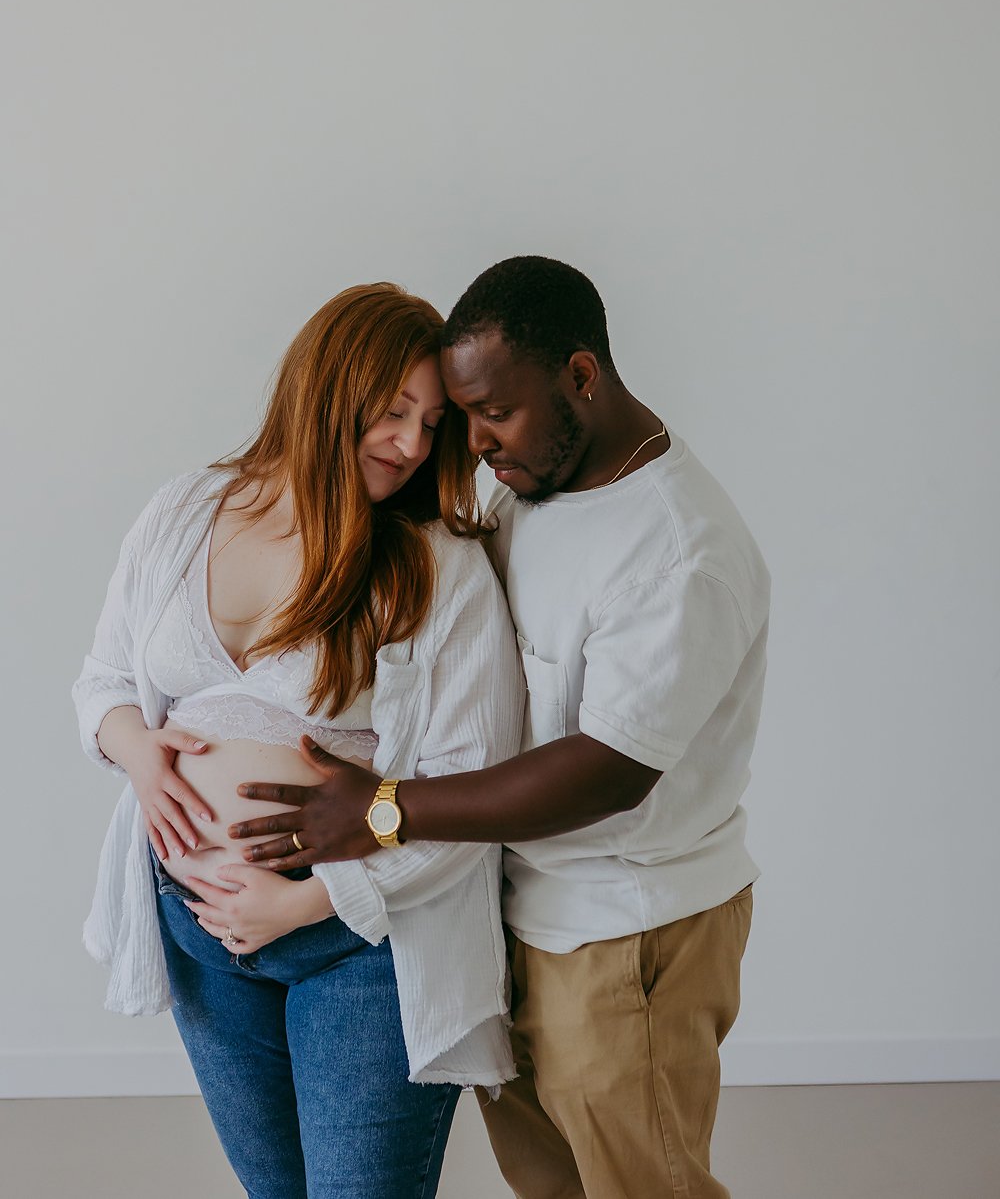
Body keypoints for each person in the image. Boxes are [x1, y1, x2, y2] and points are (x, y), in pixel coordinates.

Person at [231, 256, 771, 1199]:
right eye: (461, 418)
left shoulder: (678, 553)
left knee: (644, 1186)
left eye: (493, 413)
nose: (473, 442)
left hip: (623, 936)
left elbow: (607, 770)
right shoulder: (526, 486)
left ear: (581, 376)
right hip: (516, 913)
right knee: (552, 1184)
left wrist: (387, 811)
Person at [73, 282, 524, 1199]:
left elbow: (472, 792)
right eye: (391, 411)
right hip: (195, 924)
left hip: (361, 942)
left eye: (430, 422)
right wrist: (141, 756)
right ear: (324, 392)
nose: (410, 443)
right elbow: (105, 682)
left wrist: (304, 904)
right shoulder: (186, 512)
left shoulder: (436, 563)